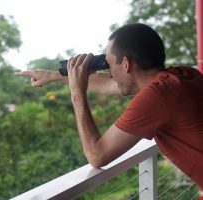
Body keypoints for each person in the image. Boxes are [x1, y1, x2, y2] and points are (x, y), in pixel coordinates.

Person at [15, 23, 203, 188]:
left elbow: (97, 156)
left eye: (109, 64)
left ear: (126, 64)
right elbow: (109, 83)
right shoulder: (184, 75)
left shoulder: (156, 97)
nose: (110, 72)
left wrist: (77, 93)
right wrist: (54, 75)